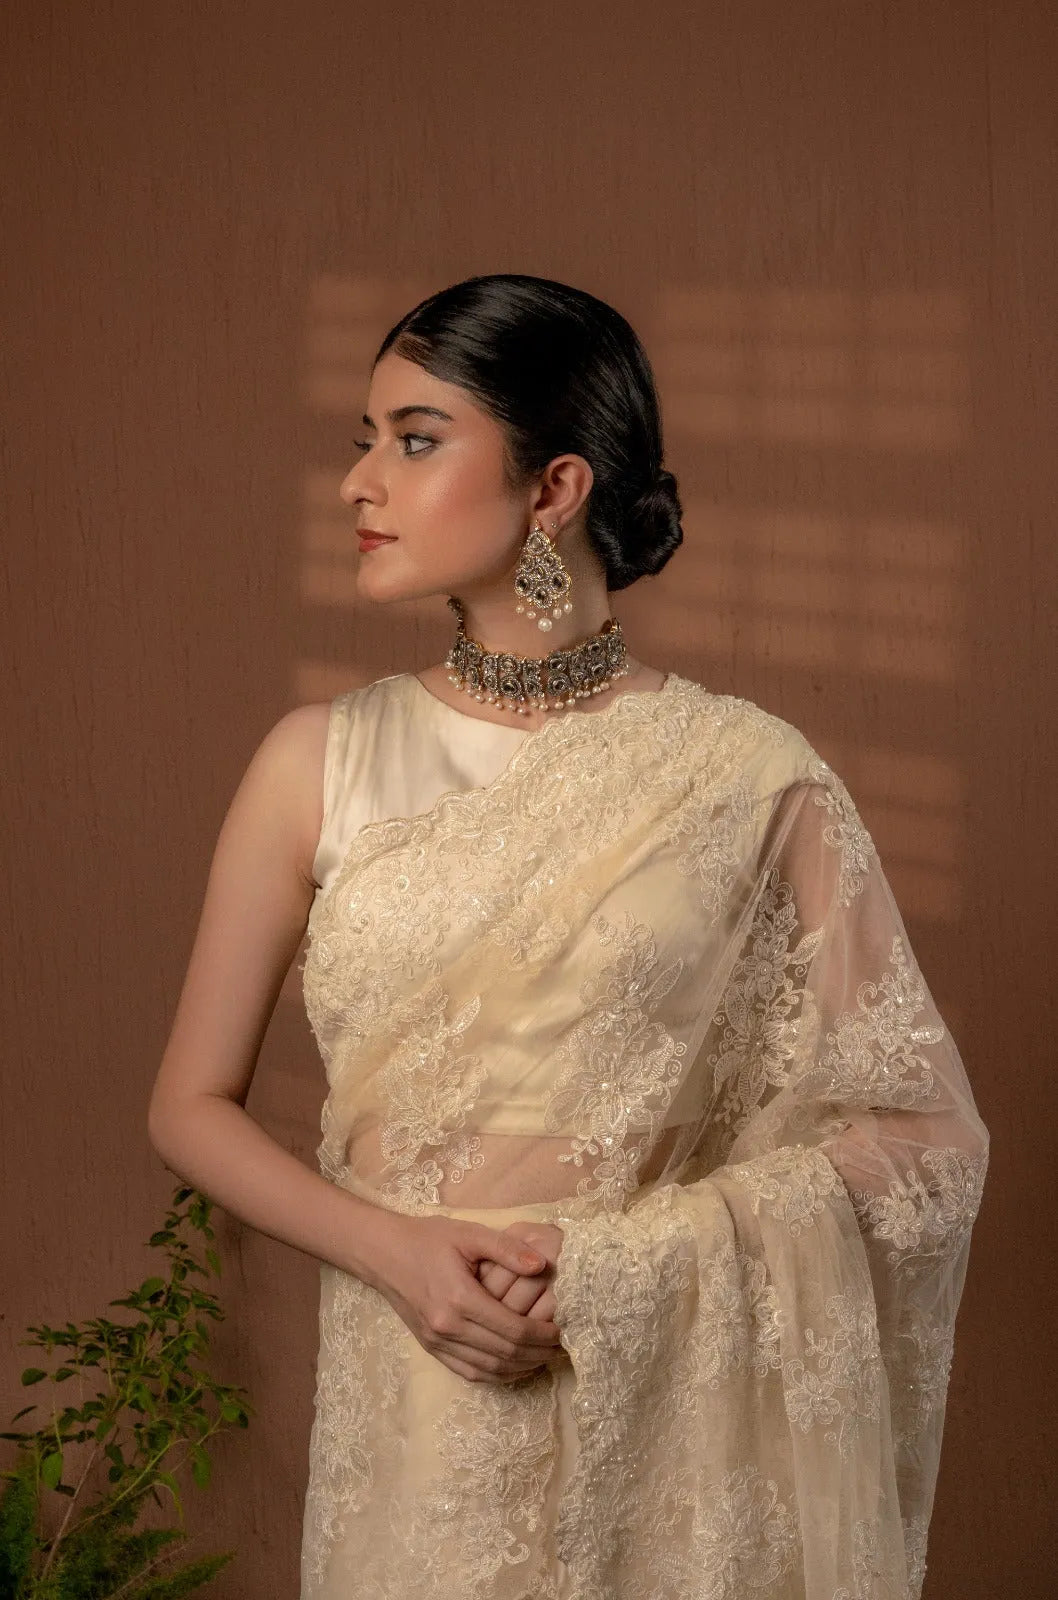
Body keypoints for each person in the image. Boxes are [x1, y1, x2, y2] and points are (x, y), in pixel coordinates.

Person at [147, 273, 990, 1600]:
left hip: (655, 1428)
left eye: (415, 440)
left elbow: (927, 1140)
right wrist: (398, 1255)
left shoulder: (745, 775)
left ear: (554, 488)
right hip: (414, 1405)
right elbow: (188, 1106)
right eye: (365, 440)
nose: (359, 482)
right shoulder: (317, 762)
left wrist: (624, 1272)